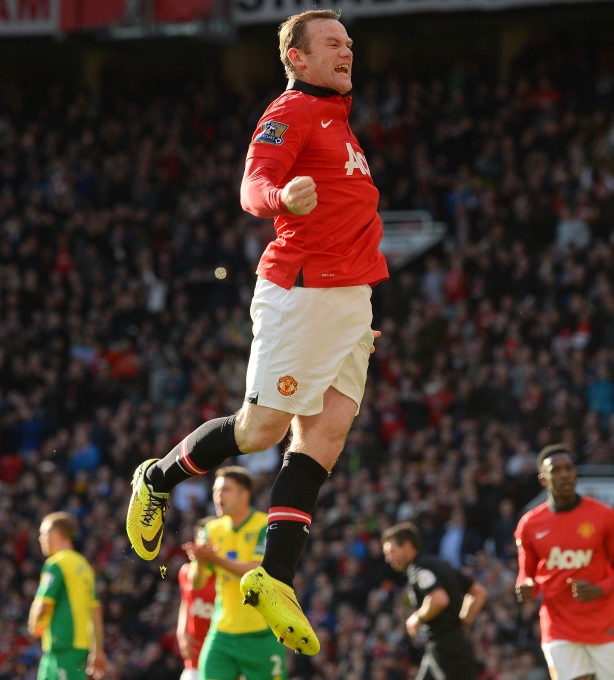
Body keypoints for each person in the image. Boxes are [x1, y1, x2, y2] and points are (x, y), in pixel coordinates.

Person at [125, 7, 388, 656]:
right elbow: (253, 185)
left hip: (350, 302)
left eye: (349, 42)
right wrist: (280, 199)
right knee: (261, 431)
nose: (346, 49)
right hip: (302, 293)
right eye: (331, 42)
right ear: (296, 57)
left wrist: (354, 320)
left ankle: (273, 578)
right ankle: (157, 478)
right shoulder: (291, 111)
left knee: (322, 439)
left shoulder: (340, 120)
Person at [514, 444, 614, 680]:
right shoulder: (529, 525)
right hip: (559, 625)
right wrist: (526, 586)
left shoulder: (604, 515)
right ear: (543, 479)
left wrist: (599, 589)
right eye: (556, 470)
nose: (564, 474)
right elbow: (525, 573)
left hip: (602, 623)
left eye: (569, 468)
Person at [189, 467, 288, 679]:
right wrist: (198, 562)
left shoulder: (265, 525)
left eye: (225, 490)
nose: (218, 496)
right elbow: (196, 584)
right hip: (221, 635)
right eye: (216, 491)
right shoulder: (212, 529)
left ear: (244, 494)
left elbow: (256, 571)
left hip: (261, 634)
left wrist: (215, 559)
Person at [382, 521, 488, 680]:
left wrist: (417, 617)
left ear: (407, 546)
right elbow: (479, 592)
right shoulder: (439, 564)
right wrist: (463, 622)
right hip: (442, 647)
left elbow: (438, 599)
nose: (388, 559)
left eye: (391, 551)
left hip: (448, 650)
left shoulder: (419, 569)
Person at [28, 512, 107, 680]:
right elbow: (96, 611)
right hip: (72, 647)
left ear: (56, 533)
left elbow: (42, 604)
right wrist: (97, 650)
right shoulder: (85, 566)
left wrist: (34, 625)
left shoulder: (56, 564)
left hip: (63, 645)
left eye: (43, 533)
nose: (40, 539)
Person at [177, 517, 218, 680]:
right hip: (193, 661)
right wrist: (181, 632)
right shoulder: (186, 571)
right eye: (200, 540)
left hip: (222, 659)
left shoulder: (226, 575)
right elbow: (186, 601)